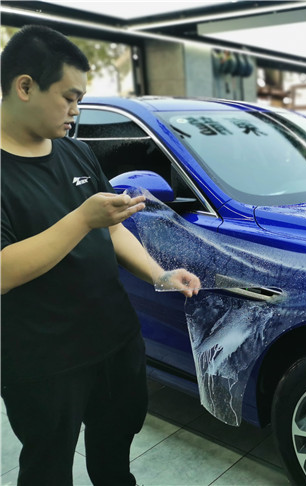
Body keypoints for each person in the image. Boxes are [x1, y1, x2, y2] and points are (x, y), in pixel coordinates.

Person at [0, 25, 201, 485]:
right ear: (25, 86)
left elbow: (112, 229)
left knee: (114, 456)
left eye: (81, 99)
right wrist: (81, 219)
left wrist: (159, 275)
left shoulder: (76, 153)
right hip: (43, 361)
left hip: (114, 341)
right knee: (48, 467)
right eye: (69, 97)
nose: (76, 110)